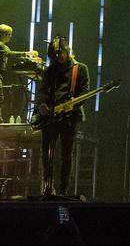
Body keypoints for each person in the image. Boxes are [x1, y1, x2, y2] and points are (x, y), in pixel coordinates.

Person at [37, 35, 89, 197]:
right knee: (47, 152)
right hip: (50, 117)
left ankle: (63, 190)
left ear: (67, 51)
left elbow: (85, 91)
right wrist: (42, 105)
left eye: (60, 54)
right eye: (54, 55)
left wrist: (74, 103)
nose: (57, 57)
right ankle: (47, 187)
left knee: (66, 154)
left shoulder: (80, 69)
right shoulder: (50, 70)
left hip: (69, 117)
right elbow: (42, 91)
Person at [0, 24, 41, 124]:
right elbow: (10, 54)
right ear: (3, 34)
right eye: (9, 34)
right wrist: (28, 53)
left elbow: (9, 53)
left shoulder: (0, 45)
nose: (10, 36)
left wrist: (28, 57)